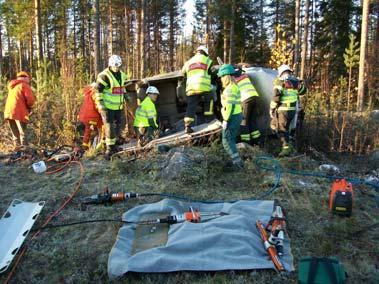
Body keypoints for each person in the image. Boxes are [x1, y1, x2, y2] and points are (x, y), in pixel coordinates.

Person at [95, 55, 129, 159]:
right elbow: (98, 90)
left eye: (118, 65)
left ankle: (115, 146)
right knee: (109, 126)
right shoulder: (104, 76)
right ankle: (109, 149)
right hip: (107, 106)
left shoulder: (122, 75)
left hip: (118, 106)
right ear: (110, 65)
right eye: (115, 65)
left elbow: (122, 88)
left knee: (118, 125)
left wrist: (126, 96)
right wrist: (100, 103)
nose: (116, 68)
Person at [270, 64, 306, 157]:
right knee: (275, 125)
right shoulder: (294, 81)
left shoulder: (279, 81)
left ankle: (286, 149)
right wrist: (299, 83)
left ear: (280, 73)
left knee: (282, 129)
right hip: (292, 110)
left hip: (283, 110)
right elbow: (304, 91)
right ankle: (284, 144)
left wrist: (272, 108)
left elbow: (276, 97)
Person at [181, 45, 214, 134]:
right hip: (204, 87)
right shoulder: (207, 60)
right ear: (205, 53)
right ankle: (209, 120)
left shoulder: (188, 62)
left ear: (197, 52)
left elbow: (182, 73)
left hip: (191, 88)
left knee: (191, 106)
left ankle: (188, 126)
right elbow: (212, 73)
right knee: (209, 100)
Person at [217, 64, 244, 170]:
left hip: (232, 116)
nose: (221, 79)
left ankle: (237, 164)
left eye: (222, 77)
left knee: (226, 140)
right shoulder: (234, 86)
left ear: (226, 76)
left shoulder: (229, 89)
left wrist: (225, 120)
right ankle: (236, 162)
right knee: (231, 139)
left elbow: (230, 106)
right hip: (236, 115)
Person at [4, 71, 36, 150]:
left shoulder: (13, 86)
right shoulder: (24, 85)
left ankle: (17, 151)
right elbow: (30, 100)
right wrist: (30, 106)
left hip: (9, 112)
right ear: (25, 78)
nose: (29, 80)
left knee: (15, 134)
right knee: (23, 133)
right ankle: (25, 152)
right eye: (28, 78)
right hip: (19, 112)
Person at [234, 69, 261, 145]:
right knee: (252, 121)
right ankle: (257, 142)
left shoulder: (233, 80)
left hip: (246, 99)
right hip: (255, 97)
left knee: (243, 122)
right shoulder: (244, 76)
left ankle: (246, 143)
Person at [78, 84, 103, 151]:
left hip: (84, 116)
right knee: (89, 132)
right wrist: (102, 110)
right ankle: (85, 148)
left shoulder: (87, 93)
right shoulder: (94, 93)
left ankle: (86, 146)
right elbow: (98, 105)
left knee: (88, 131)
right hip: (92, 116)